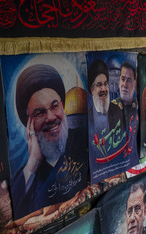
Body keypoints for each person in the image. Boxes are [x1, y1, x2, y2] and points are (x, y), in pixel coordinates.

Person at [12, 64, 88, 219]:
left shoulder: (83, 140)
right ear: (29, 124)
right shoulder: (27, 173)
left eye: (54, 106)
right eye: (39, 113)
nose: (51, 117)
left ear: (62, 107)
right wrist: (34, 161)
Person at [88, 59, 124, 137]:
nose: (103, 89)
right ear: (92, 89)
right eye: (99, 84)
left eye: (105, 84)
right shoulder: (87, 117)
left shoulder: (117, 112)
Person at [111, 61, 138, 126]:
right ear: (119, 80)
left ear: (135, 84)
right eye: (123, 79)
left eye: (129, 80)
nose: (125, 85)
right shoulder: (110, 108)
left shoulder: (139, 105)